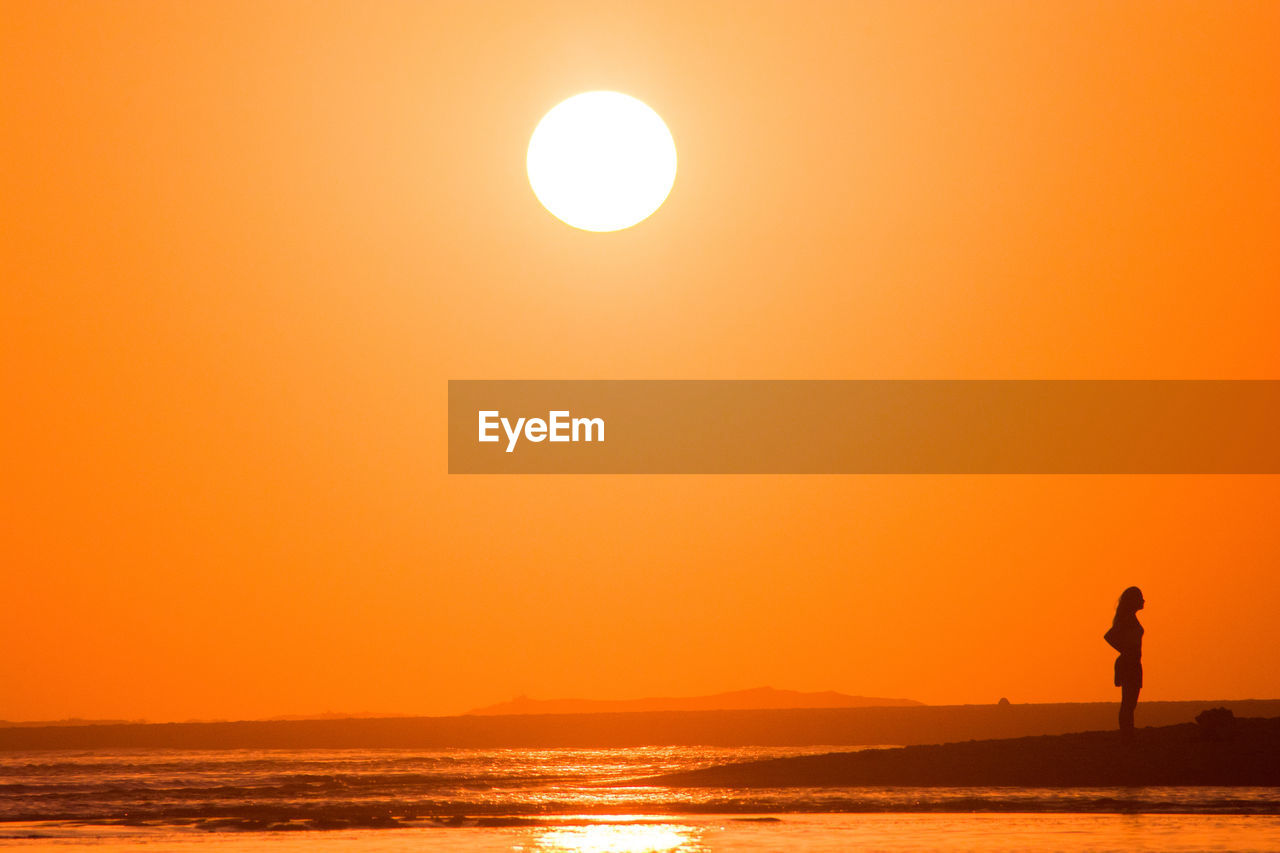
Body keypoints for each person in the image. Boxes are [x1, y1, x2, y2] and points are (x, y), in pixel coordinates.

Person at [1104, 586, 1145, 742]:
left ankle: (1128, 732)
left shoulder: (1130, 618)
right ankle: (1127, 735)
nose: (1143, 600)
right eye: (1140, 598)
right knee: (1128, 701)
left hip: (1133, 662)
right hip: (1129, 663)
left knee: (1130, 701)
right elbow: (1109, 636)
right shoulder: (1127, 619)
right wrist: (1125, 650)